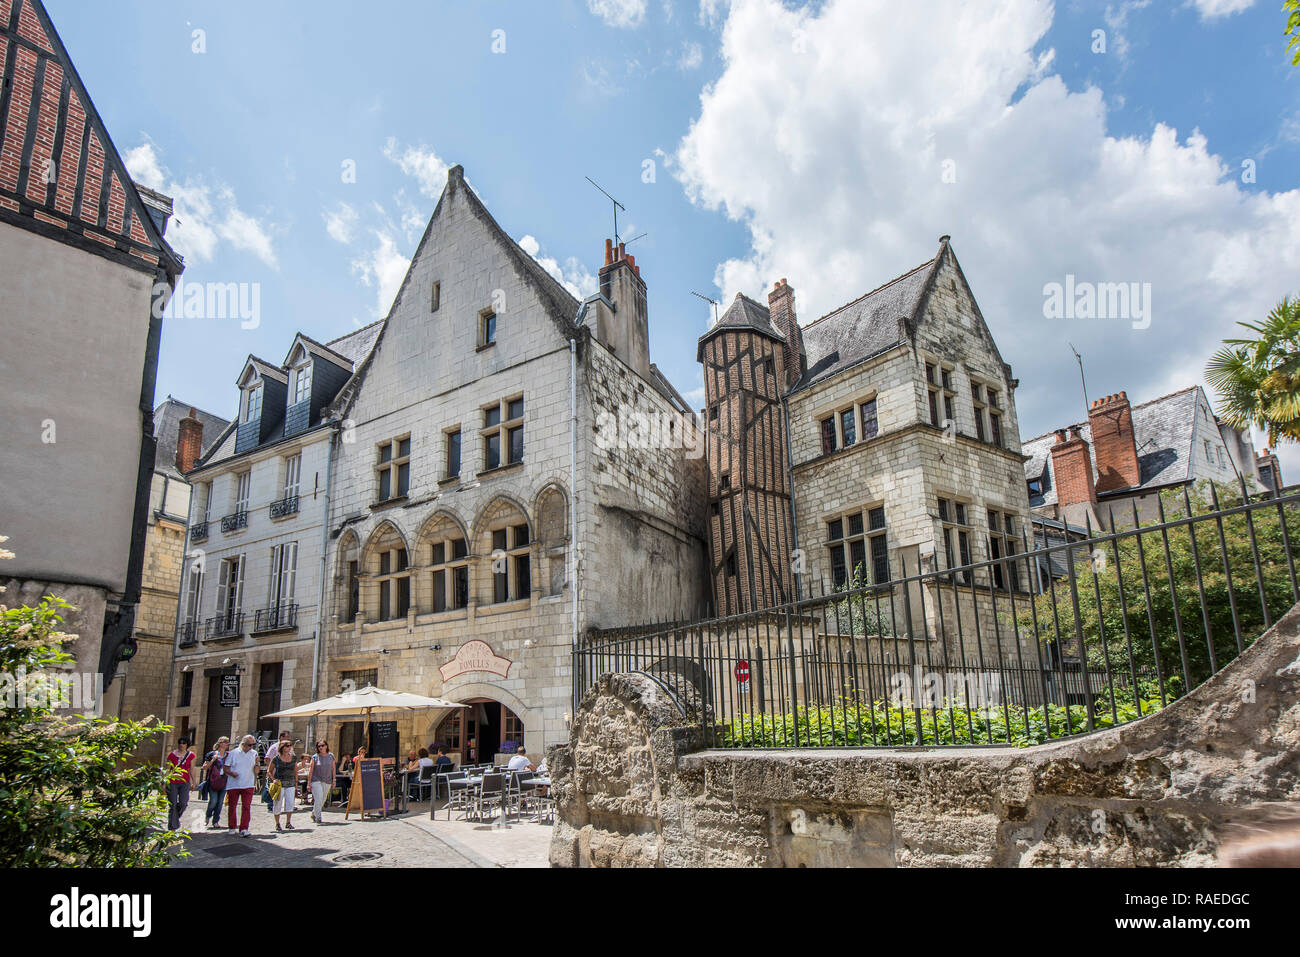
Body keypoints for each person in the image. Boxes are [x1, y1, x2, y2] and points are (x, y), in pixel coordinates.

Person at [222, 735, 260, 836]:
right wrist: (231, 773)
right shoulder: (233, 753)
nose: (251, 747)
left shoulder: (254, 753)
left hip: (248, 784)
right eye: (249, 745)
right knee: (232, 806)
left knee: (246, 807)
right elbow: (225, 768)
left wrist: (257, 764)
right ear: (243, 744)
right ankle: (232, 826)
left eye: (253, 745)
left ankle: (244, 828)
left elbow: (257, 771)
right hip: (234, 784)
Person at [200, 736, 231, 829]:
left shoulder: (229, 755)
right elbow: (204, 767)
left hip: (224, 781)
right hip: (213, 781)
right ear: (220, 744)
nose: (227, 744)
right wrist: (213, 760)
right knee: (213, 801)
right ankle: (208, 816)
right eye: (225, 742)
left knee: (220, 802)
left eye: (227, 742)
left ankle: (216, 821)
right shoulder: (212, 754)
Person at [165, 737, 195, 829]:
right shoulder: (172, 755)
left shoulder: (191, 755)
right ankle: (173, 827)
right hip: (172, 781)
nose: (181, 745)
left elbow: (191, 769)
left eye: (184, 743)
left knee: (183, 803)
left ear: (187, 745)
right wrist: (164, 782)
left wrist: (194, 781)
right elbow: (167, 769)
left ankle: (174, 819)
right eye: (180, 743)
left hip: (184, 782)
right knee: (173, 804)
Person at [269, 740, 297, 831]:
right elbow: (269, 771)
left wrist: (296, 782)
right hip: (280, 784)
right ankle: (277, 823)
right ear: (282, 747)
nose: (289, 747)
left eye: (290, 746)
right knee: (278, 803)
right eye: (287, 746)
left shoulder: (293, 758)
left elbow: (295, 771)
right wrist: (273, 779)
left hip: (290, 783)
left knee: (290, 803)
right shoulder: (276, 758)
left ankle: (288, 822)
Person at [308, 741, 336, 824]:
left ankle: (314, 813)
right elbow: (310, 770)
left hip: (327, 780)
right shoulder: (315, 757)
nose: (321, 747)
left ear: (326, 746)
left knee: (323, 799)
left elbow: (333, 769)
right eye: (319, 746)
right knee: (319, 797)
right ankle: (318, 817)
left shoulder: (331, 756)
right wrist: (308, 783)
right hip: (316, 780)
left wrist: (334, 780)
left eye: (322, 745)